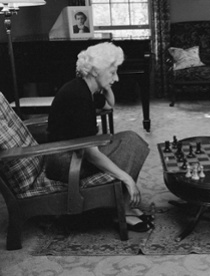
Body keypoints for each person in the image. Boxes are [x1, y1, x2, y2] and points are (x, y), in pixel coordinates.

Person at [47, 42, 154, 232]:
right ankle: (121, 209)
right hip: (65, 162)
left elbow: (109, 105)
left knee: (131, 138)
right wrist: (127, 178)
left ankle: (123, 205)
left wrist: (106, 85)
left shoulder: (84, 88)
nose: (117, 78)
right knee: (130, 144)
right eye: (112, 72)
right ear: (95, 71)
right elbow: (91, 153)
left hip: (74, 152)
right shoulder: (78, 96)